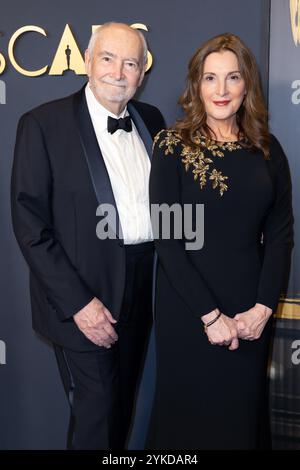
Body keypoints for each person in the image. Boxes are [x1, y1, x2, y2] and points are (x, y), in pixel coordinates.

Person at [11, 22, 165, 450]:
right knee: (97, 419)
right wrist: (80, 304)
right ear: (88, 62)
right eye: (109, 58)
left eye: (131, 63)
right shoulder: (43, 124)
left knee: (121, 412)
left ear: (142, 73)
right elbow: (30, 226)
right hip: (82, 293)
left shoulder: (150, 121)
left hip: (141, 285)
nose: (119, 72)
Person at [147, 33, 293, 449]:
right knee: (188, 422)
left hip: (250, 312)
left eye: (232, 77)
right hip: (189, 311)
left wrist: (263, 309)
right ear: (197, 85)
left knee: (240, 420)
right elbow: (168, 239)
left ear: (247, 84)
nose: (222, 90)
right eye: (210, 78)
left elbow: (281, 235)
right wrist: (210, 317)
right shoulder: (172, 146)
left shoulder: (267, 149)